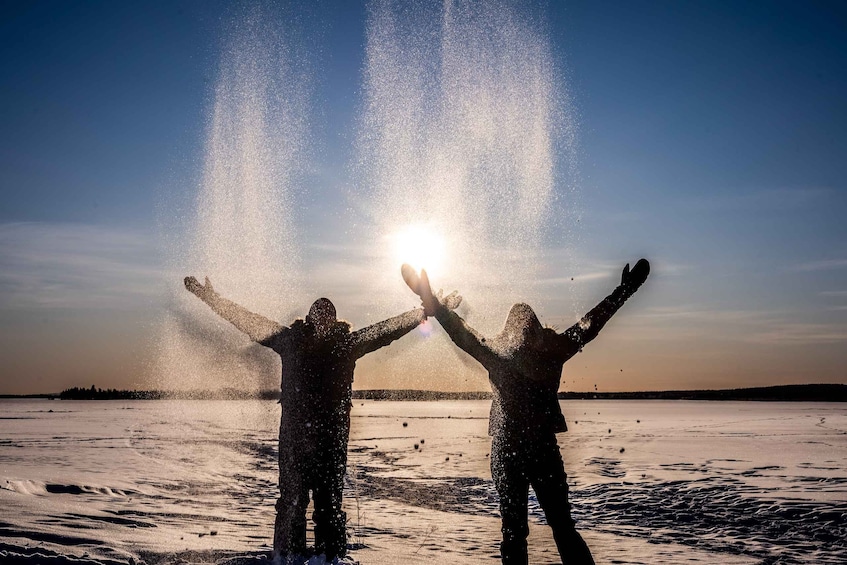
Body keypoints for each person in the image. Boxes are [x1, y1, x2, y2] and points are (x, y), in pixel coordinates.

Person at [184, 274, 460, 562]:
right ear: (309, 317)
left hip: (330, 443)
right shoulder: (290, 341)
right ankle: (287, 557)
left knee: (329, 507)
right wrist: (213, 300)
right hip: (295, 442)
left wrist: (424, 312)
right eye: (319, 313)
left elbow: (385, 330)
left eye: (328, 314)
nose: (323, 319)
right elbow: (248, 321)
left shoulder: (346, 345)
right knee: (291, 504)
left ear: (335, 320)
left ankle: (330, 558)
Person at [403, 259, 650, 565]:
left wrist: (435, 304)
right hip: (526, 449)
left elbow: (589, 325)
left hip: (519, 449)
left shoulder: (516, 353)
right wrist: (624, 291)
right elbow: (590, 325)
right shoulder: (539, 351)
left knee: (535, 529)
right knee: (539, 529)